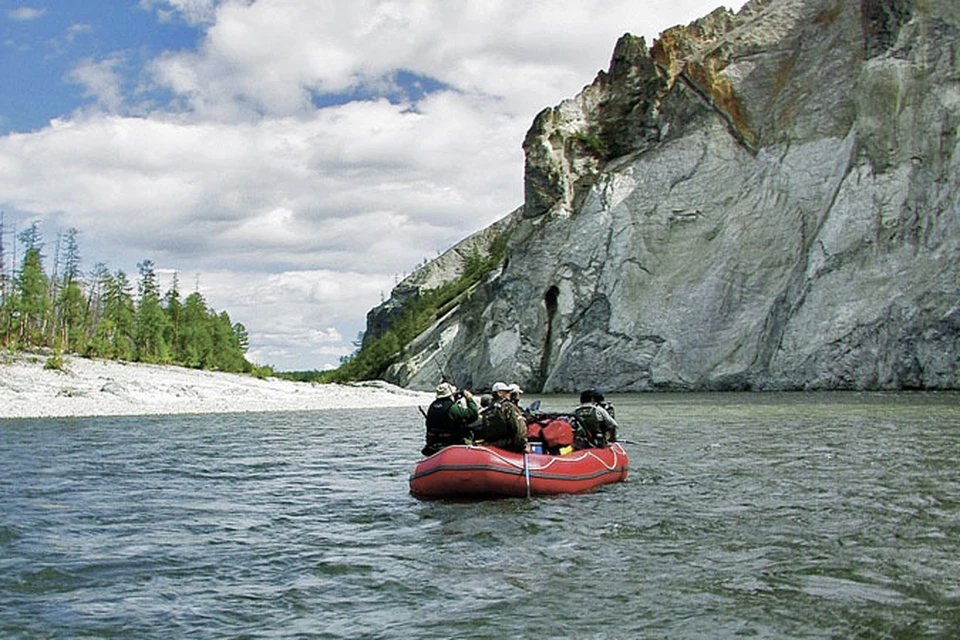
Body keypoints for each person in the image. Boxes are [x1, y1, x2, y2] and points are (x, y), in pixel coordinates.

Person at [422, 382, 479, 456]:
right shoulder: (452, 408)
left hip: (433, 441)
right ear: (450, 394)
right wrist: (469, 398)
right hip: (451, 441)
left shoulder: (432, 406)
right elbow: (473, 414)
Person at [475, 381, 528, 453]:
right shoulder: (508, 407)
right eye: (506, 392)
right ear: (499, 393)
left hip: (493, 447)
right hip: (509, 446)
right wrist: (524, 444)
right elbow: (519, 428)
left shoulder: (487, 410)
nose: (509, 393)